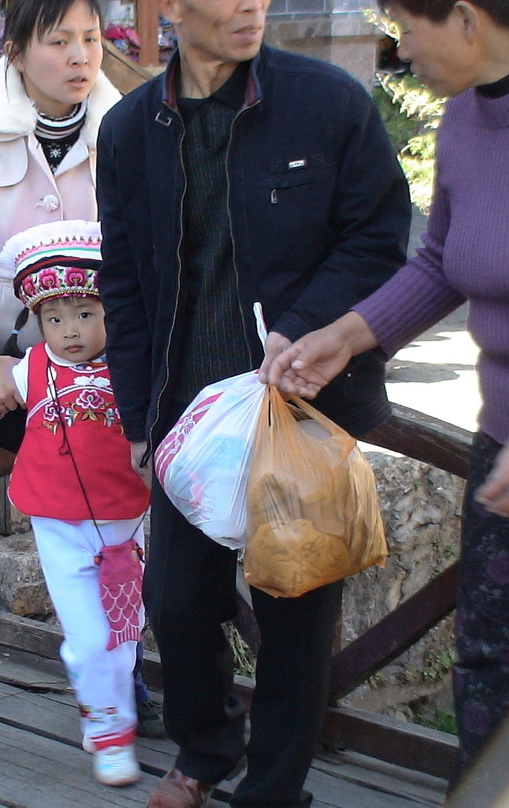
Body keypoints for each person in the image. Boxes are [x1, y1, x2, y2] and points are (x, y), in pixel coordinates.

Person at [94, 0, 414, 802]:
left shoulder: (326, 102)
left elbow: (380, 237)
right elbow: (125, 284)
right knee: (175, 601)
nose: (249, 6)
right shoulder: (132, 129)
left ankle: (273, 790)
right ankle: (206, 750)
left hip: (301, 407)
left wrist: (307, 328)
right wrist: (139, 417)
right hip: (188, 415)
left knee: (296, 614)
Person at [0, 0, 163, 771]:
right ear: (14, 48)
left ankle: (123, 692)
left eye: (90, 40)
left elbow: (141, 255)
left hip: (85, 359)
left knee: (123, 528)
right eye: (59, 42)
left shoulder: (123, 128)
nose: (81, 58)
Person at [265, 0, 509, 791]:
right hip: (499, 443)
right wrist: (347, 334)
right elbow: (440, 261)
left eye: (408, 26)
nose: (398, 51)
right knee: (487, 663)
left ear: (468, 20)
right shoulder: (469, 121)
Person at [0, 220, 150, 786]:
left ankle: (104, 709)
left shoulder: (131, 375)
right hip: (57, 523)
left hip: (124, 524)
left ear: (111, 312)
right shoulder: (32, 370)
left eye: (86, 314)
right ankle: (112, 730)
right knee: (90, 634)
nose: (71, 331)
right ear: (37, 323)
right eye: (55, 318)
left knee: (123, 628)